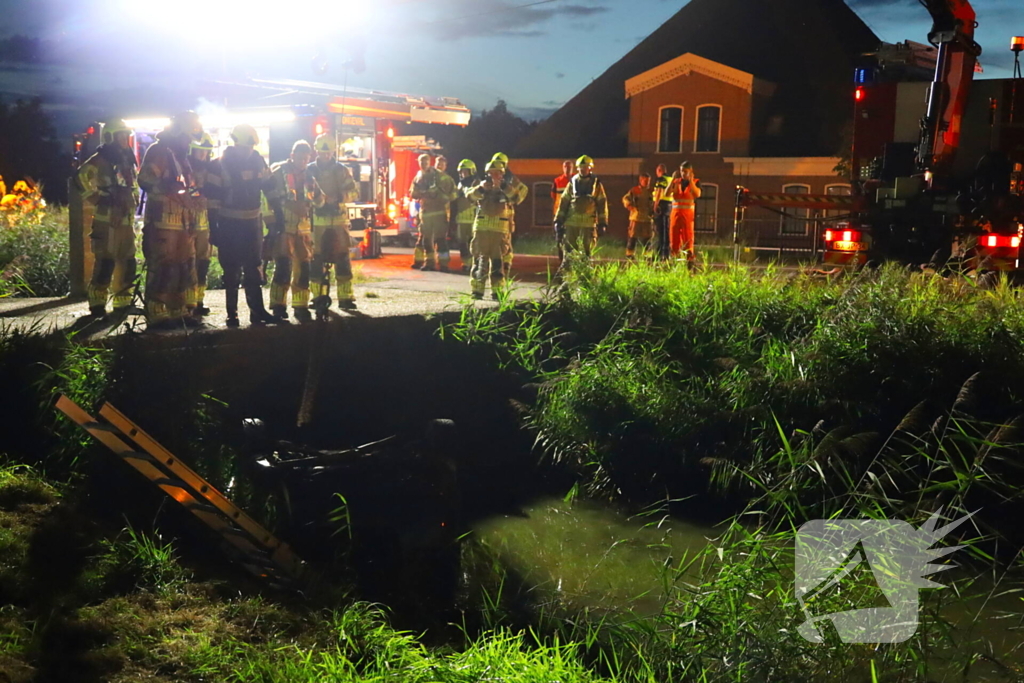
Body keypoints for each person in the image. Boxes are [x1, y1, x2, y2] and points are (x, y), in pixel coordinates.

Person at [205, 123, 286, 327]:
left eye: (251, 147)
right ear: (236, 144)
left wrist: (279, 213)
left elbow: (270, 188)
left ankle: (257, 312)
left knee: (254, 268)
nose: (249, 150)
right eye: (245, 147)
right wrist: (213, 228)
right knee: (231, 270)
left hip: (252, 223)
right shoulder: (219, 165)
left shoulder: (258, 161)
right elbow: (212, 200)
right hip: (229, 222)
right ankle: (232, 314)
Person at [138, 111, 203, 330]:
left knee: (184, 266)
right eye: (186, 137)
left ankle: (179, 311)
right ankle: (157, 312)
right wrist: (165, 187)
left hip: (183, 221)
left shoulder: (181, 157)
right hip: (162, 220)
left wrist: (194, 213)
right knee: (164, 266)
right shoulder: (159, 152)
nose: (188, 142)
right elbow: (145, 179)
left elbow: (189, 190)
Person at [78, 119, 138, 318]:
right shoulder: (100, 159)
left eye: (126, 135)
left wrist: (134, 201)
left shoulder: (127, 159)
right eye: (121, 135)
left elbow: (132, 184)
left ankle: (123, 303)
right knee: (106, 262)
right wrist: (94, 197)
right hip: (107, 219)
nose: (124, 139)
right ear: (110, 137)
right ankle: (97, 304)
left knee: (128, 262)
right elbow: (80, 177)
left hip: (126, 220)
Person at [265, 140, 316, 322]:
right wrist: (291, 206)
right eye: (300, 158)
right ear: (292, 155)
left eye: (306, 159)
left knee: (304, 268)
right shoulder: (279, 173)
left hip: (303, 230)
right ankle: (278, 306)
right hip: (284, 226)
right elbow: (271, 197)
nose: (303, 162)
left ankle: (301, 306)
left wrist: (317, 202)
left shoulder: (309, 176)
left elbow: (319, 197)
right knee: (283, 267)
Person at [308, 133, 359, 310]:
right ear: (316, 151)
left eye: (328, 152)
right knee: (316, 259)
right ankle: (317, 296)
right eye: (322, 153)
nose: (325, 156)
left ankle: (346, 297)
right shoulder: (309, 170)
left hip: (339, 220)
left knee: (342, 258)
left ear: (333, 152)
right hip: (316, 221)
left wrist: (339, 197)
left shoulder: (342, 170)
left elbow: (354, 193)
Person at [466, 160, 517, 300]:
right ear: (487, 174)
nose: (494, 176)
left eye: (498, 173)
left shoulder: (507, 188)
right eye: (491, 173)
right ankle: (477, 289)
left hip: (499, 230)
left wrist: (504, 187)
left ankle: (497, 290)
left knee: (497, 262)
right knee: (480, 261)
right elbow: (469, 197)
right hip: (482, 228)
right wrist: (481, 188)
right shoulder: (481, 186)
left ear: (502, 174)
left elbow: (516, 198)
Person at [554, 155, 608, 262]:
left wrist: (603, 223)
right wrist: (558, 220)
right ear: (577, 168)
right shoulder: (572, 183)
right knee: (569, 252)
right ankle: (568, 276)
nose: (582, 170)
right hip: (572, 223)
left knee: (586, 253)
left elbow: (602, 203)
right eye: (580, 167)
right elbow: (564, 202)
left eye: (585, 167)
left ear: (590, 168)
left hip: (588, 224)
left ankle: (584, 275)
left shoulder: (596, 184)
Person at [186, 132, 216, 317]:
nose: (203, 156)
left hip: (205, 222)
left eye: (206, 152)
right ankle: (188, 301)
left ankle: (199, 300)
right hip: (187, 222)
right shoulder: (183, 168)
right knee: (188, 261)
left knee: (203, 262)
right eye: (200, 152)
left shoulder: (211, 171)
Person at [409, 153, 456, 271]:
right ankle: (429, 263)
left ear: (430, 162)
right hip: (425, 213)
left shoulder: (440, 176)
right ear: (418, 163)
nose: (423, 164)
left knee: (441, 239)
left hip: (439, 213)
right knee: (426, 240)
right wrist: (424, 193)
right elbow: (413, 193)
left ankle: (444, 264)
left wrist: (441, 197)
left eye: (425, 162)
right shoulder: (418, 177)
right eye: (421, 162)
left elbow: (453, 193)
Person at [490, 152, 528, 275]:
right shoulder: (490, 177)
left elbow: (523, 190)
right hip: (493, 211)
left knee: (506, 238)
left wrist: (514, 198)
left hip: (507, 211)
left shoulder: (511, 179)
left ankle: (506, 261)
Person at [667, 161, 702, 265]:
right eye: (682, 171)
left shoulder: (696, 182)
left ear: (690, 171)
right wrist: (672, 180)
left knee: (688, 239)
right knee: (674, 239)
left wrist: (691, 181)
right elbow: (667, 193)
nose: (683, 173)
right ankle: (674, 262)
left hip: (687, 216)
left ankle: (690, 263)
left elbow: (697, 194)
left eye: (686, 171)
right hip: (675, 215)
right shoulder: (676, 182)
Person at [452, 159, 478, 273]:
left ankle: (475, 263)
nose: (463, 174)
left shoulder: (476, 183)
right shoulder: (460, 184)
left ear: (471, 171)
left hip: (473, 218)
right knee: (462, 242)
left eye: (466, 171)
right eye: (462, 172)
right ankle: (466, 263)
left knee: (474, 242)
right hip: (461, 218)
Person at [623, 172, 655, 260]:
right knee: (632, 237)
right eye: (645, 180)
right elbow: (626, 198)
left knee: (647, 239)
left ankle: (647, 256)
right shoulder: (634, 190)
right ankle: (630, 254)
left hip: (648, 219)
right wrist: (629, 206)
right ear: (640, 180)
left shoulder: (652, 191)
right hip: (636, 218)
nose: (647, 182)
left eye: (648, 181)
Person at [551, 160, 573, 259]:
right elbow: (553, 195)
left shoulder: (576, 180)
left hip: (572, 214)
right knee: (560, 237)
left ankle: (570, 257)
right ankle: (561, 257)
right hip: (559, 213)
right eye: (565, 167)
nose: (567, 169)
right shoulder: (557, 181)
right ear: (563, 168)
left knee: (571, 236)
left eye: (569, 167)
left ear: (572, 168)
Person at [651, 164, 672, 260]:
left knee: (660, 230)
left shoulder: (661, 179)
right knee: (666, 230)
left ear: (659, 170)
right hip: (669, 205)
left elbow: (659, 191)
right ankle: (666, 253)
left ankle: (659, 253)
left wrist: (655, 205)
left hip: (661, 205)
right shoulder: (671, 179)